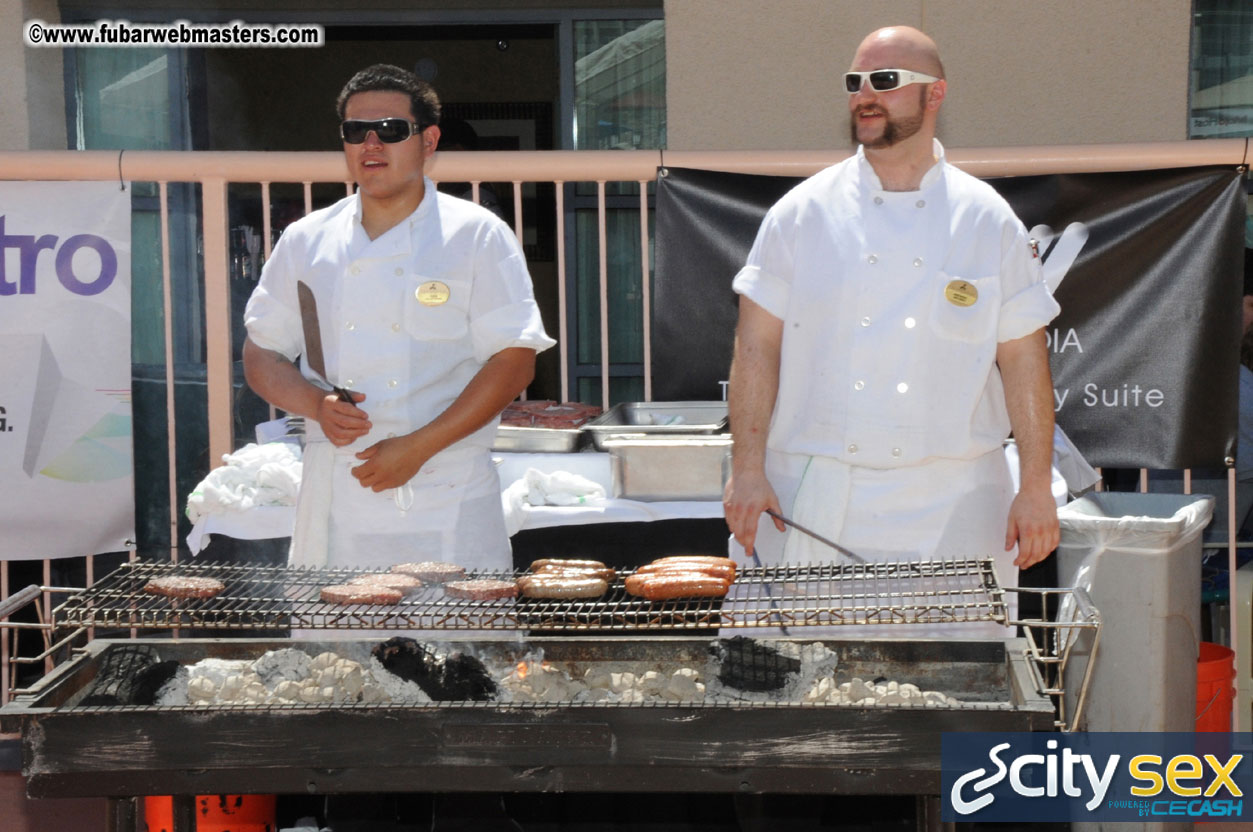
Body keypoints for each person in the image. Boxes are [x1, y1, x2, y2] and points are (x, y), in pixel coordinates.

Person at [721, 26, 1061, 635]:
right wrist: (747, 469)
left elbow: (1026, 361)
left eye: (885, 81)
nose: (864, 96)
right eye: (855, 83)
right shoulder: (800, 213)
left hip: (954, 503)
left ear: (936, 95)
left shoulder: (988, 220)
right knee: (795, 702)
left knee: (957, 697)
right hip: (814, 500)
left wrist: (1036, 485)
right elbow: (755, 347)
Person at [243, 64, 554, 573]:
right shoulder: (306, 240)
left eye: (390, 130)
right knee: (335, 650)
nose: (371, 143)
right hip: (338, 488)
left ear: (427, 141)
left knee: (466, 648)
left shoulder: (476, 235)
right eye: (354, 131)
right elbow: (261, 352)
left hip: (447, 482)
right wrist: (316, 405)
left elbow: (515, 361)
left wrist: (416, 448)